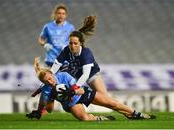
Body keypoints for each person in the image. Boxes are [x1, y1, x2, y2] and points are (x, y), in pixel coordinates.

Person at [26, 60, 155, 121]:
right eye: (45, 82)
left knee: (112, 103)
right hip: (72, 103)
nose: (49, 82)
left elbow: (81, 90)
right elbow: (46, 108)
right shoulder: (46, 89)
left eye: (49, 78)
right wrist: (39, 111)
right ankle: (101, 118)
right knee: (84, 118)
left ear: (51, 73)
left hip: (81, 94)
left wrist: (71, 91)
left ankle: (137, 114)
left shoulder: (64, 76)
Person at [50, 15, 108, 96]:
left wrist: (75, 88)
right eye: (70, 43)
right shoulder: (66, 50)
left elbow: (86, 75)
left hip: (91, 75)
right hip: (76, 75)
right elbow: (55, 67)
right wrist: (48, 78)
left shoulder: (86, 53)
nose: (73, 46)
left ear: (80, 43)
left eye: (75, 43)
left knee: (106, 98)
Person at [31, 4, 74, 98]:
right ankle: (43, 104)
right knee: (48, 81)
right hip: (51, 59)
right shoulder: (48, 26)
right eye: (59, 13)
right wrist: (45, 44)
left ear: (66, 15)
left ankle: (70, 99)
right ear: (55, 14)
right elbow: (41, 39)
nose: (61, 15)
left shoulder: (70, 27)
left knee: (65, 81)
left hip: (64, 60)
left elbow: (74, 40)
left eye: (63, 13)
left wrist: (68, 46)